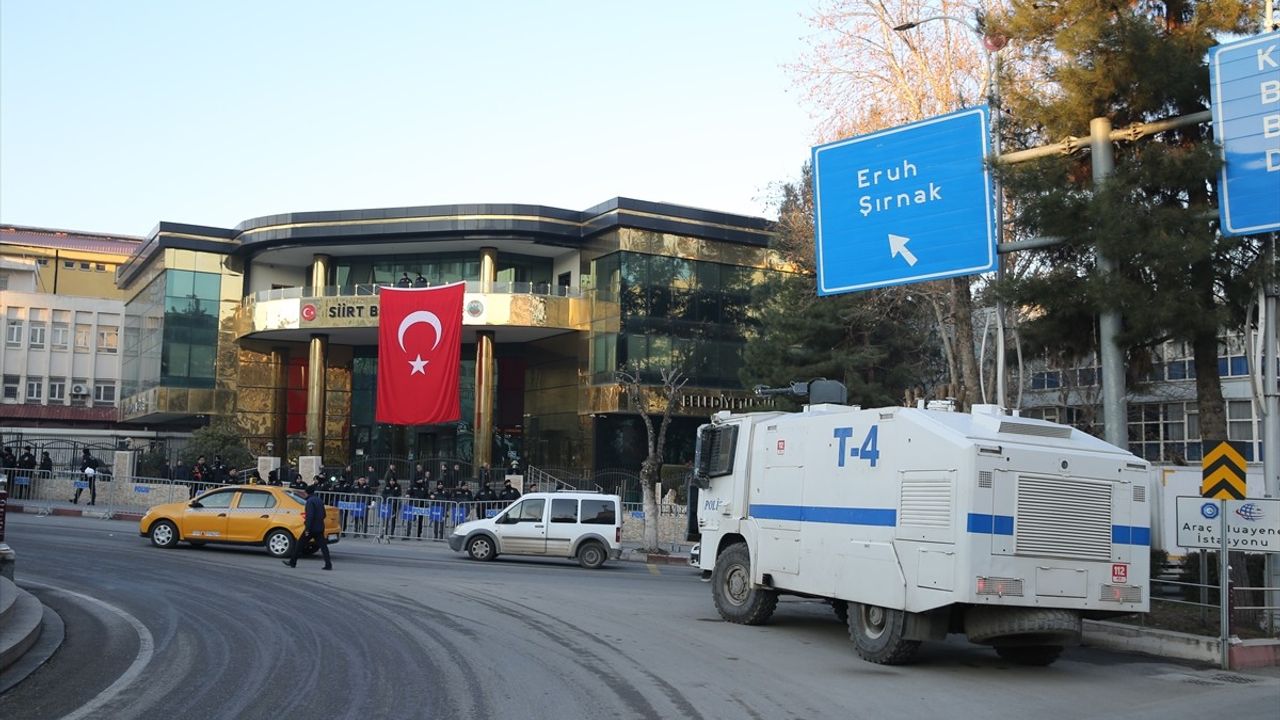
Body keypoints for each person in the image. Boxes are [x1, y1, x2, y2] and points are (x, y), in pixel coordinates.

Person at [283, 483, 332, 571]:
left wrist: (307, 529)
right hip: (320, 527)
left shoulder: (309, 502)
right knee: (323, 546)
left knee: (299, 544)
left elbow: (310, 516)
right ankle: (328, 564)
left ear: (306, 493)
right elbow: (324, 514)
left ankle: (292, 562)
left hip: (311, 528)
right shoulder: (319, 500)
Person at [380, 473, 402, 538]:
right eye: (391, 481)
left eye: (393, 481)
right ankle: (384, 532)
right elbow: (383, 494)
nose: (392, 482)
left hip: (395, 505)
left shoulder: (398, 486)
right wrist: (389, 496)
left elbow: (399, 494)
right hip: (387, 505)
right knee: (385, 519)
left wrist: (393, 496)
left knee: (393, 519)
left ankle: (391, 533)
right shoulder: (387, 486)